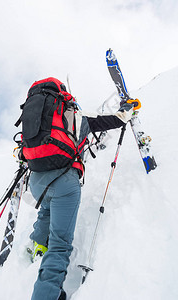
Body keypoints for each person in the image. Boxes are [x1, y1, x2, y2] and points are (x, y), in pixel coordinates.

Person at [28, 78, 135, 300]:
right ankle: (47, 294)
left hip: (36, 181)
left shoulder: (35, 118)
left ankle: (37, 245)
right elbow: (113, 121)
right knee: (59, 245)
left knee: (45, 209)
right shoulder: (75, 116)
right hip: (64, 182)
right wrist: (127, 110)